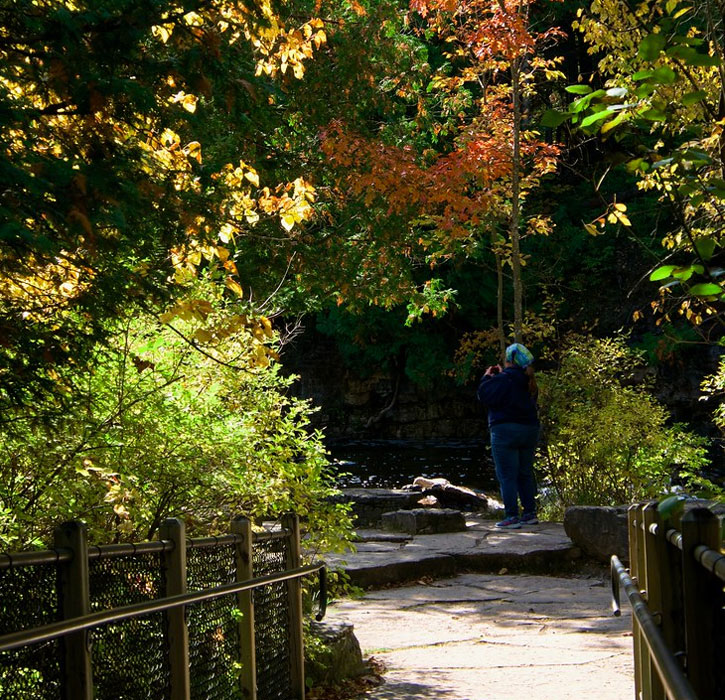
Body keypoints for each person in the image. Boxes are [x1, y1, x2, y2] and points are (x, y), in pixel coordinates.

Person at [477, 343, 540, 529]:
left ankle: (512, 515)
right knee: (525, 472)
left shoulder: (502, 380)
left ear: (509, 361)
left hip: (505, 431)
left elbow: (484, 395)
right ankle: (529, 513)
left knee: (507, 475)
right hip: (529, 430)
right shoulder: (529, 382)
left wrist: (487, 376)